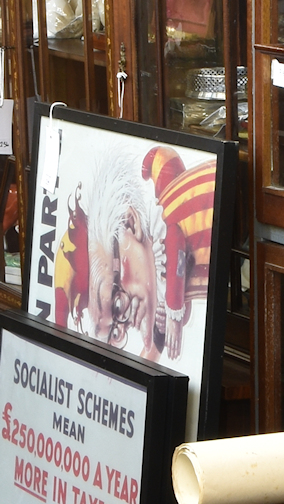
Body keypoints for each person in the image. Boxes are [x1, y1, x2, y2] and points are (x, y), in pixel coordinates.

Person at [54, 142, 217, 364]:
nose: (126, 324)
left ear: (130, 223)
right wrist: (161, 326)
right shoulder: (155, 275)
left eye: (118, 303)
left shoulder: (164, 226)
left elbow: (178, 250)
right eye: (114, 334)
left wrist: (174, 312)